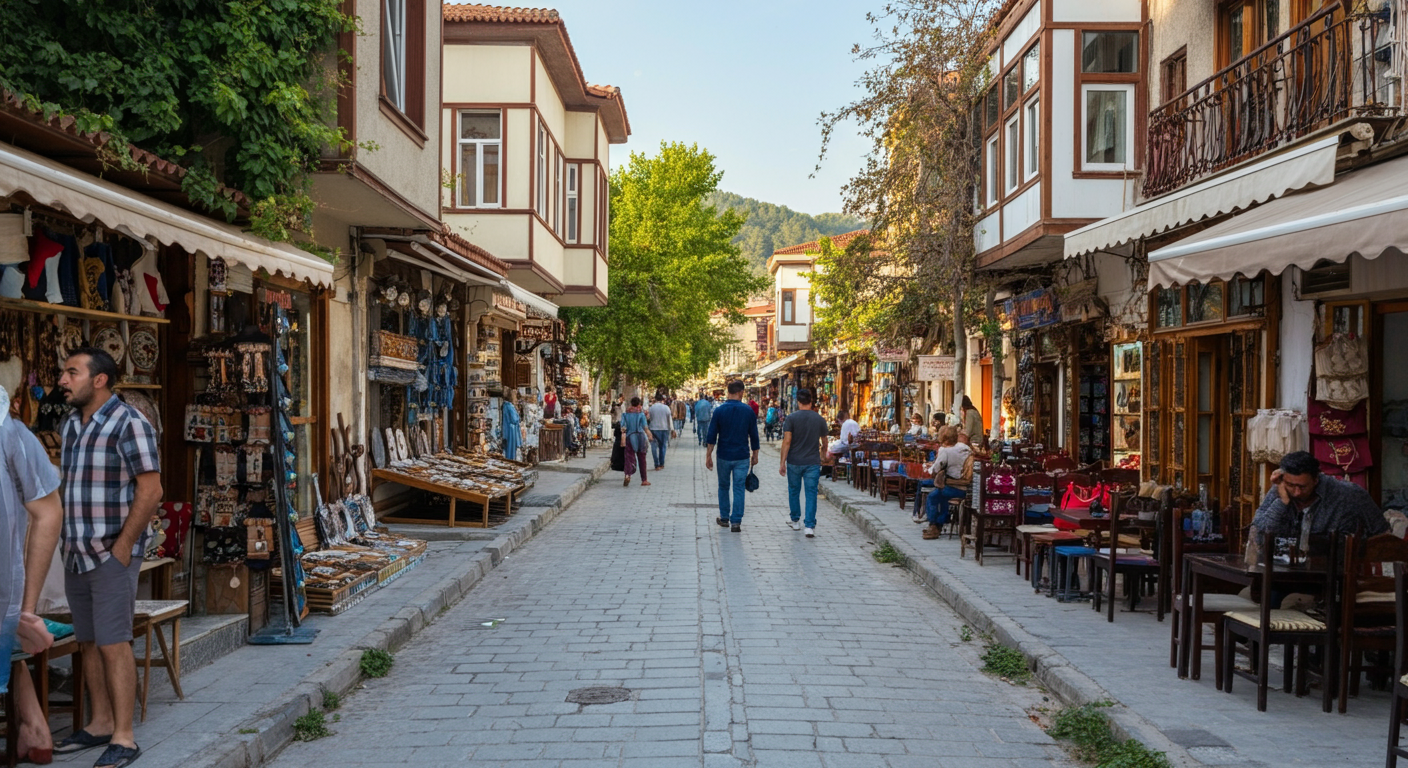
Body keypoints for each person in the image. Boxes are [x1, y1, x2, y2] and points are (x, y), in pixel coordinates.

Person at [54, 348, 162, 768]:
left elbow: (150, 491)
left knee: (115, 642)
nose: (63, 379)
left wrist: (122, 550)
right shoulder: (69, 426)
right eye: (65, 372)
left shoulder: (129, 423)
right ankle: (99, 723)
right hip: (76, 553)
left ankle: (124, 736)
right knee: (88, 641)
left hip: (111, 553)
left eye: (72, 372)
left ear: (99, 380)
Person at [0, 383, 64, 765]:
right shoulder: (12, 433)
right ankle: (36, 729)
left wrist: (22, 610)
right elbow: (47, 511)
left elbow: (47, 512)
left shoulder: (9, 432)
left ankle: (35, 729)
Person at [1251, 450, 1387, 540]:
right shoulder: (1280, 488)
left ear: (1316, 479)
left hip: (1335, 575)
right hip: (1281, 572)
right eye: (1291, 485)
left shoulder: (1349, 494)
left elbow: (1382, 533)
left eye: (1303, 487)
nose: (1297, 492)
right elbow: (1260, 535)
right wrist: (1281, 500)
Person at [706, 380, 759, 532]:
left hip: (723, 455)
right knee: (738, 488)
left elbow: (711, 435)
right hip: (742, 456)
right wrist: (755, 454)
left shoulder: (719, 411)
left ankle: (724, 518)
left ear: (728, 392)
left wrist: (708, 455)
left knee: (723, 486)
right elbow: (754, 435)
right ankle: (736, 521)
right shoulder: (748, 411)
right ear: (741, 392)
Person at [779, 388, 828, 538]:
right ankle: (809, 526)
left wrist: (782, 462)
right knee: (811, 493)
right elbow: (825, 442)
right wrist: (822, 455)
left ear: (798, 402)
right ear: (811, 402)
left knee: (794, 491)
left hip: (794, 461)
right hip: (812, 462)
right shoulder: (819, 419)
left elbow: (787, 442)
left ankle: (795, 521)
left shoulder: (791, 418)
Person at [923, 426, 971, 540]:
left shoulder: (945, 451)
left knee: (932, 497)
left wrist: (930, 468)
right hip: (967, 488)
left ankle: (934, 525)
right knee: (942, 497)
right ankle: (940, 522)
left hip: (955, 486)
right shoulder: (965, 448)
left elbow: (936, 469)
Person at [620, 397, 652, 487]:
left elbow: (623, 427)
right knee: (642, 458)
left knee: (629, 458)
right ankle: (644, 480)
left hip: (630, 438)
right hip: (640, 437)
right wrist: (650, 435)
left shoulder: (625, 414)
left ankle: (627, 475)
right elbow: (645, 427)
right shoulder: (641, 414)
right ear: (639, 404)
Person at [647, 394, 674, 470]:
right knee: (663, 446)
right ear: (663, 399)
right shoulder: (666, 408)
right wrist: (672, 429)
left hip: (653, 428)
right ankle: (661, 463)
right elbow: (669, 419)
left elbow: (649, 418)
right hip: (664, 429)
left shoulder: (651, 408)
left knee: (654, 447)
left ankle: (656, 464)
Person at [500, 390, 522, 461]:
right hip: (512, 430)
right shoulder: (510, 406)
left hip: (506, 428)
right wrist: (518, 416)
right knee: (511, 448)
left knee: (507, 448)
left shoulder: (505, 405)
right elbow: (514, 419)